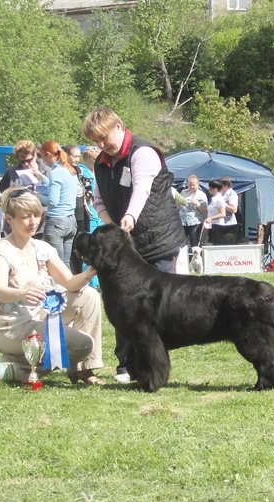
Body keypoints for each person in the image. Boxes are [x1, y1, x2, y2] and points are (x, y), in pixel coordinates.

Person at [83, 107, 186, 384]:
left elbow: (141, 188)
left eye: (105, 137)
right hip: (125, 246)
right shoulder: (102, 164)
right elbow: (99, 201)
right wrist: (112, 224)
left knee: (160, 308)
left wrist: (129, 216)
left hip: (157, 241)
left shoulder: (143, 153)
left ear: (118, 126)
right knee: (122, 304)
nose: (102, 145)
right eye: (97, 141)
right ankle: (126, 366)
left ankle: (154, 367)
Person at [0, 187, 103, 384]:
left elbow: (70, 283)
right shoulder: (2, 250)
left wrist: (91, 271)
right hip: (12, 326)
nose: (33, 222)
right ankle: (21, 369)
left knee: (89, 295)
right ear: (9, 219)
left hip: (39, 316)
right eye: (25, 217)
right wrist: (21, 294)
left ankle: (84, 369)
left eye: (37, 215)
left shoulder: (43, 248)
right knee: (83, 344)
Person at [38, 141, 78, 270]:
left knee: (56, 267)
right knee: (65, 265)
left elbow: (53, 202)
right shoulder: (69, 170)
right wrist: (42, 178)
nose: (42, 160)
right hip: (71, 222)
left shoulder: (55, 173)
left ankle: (59, 290)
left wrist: (36, 196)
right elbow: (60, 188)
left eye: (42, 157)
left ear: (48, 155)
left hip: (56, 223)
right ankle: (71, 288)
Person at [63, 145, 91, 235]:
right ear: (66, 156)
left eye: (79, 156)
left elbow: (86, 188)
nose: (77, 159)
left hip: (81, 212)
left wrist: (88, 193)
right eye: (75, 156)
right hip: (69, 214)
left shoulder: (79, 170)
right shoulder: (61, 171)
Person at [179, 174, 208, 247]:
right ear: (187, 184)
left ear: (197, 184)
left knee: (194, 244)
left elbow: (204, 210)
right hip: (182, 221)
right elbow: (178, 205)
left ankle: (194, 258)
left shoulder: (202, 195)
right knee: (180, 244)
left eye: (193, 185)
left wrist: (197, 204)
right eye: (190, 185)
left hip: (195, 222)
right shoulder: (183, 192)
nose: (191, 187)